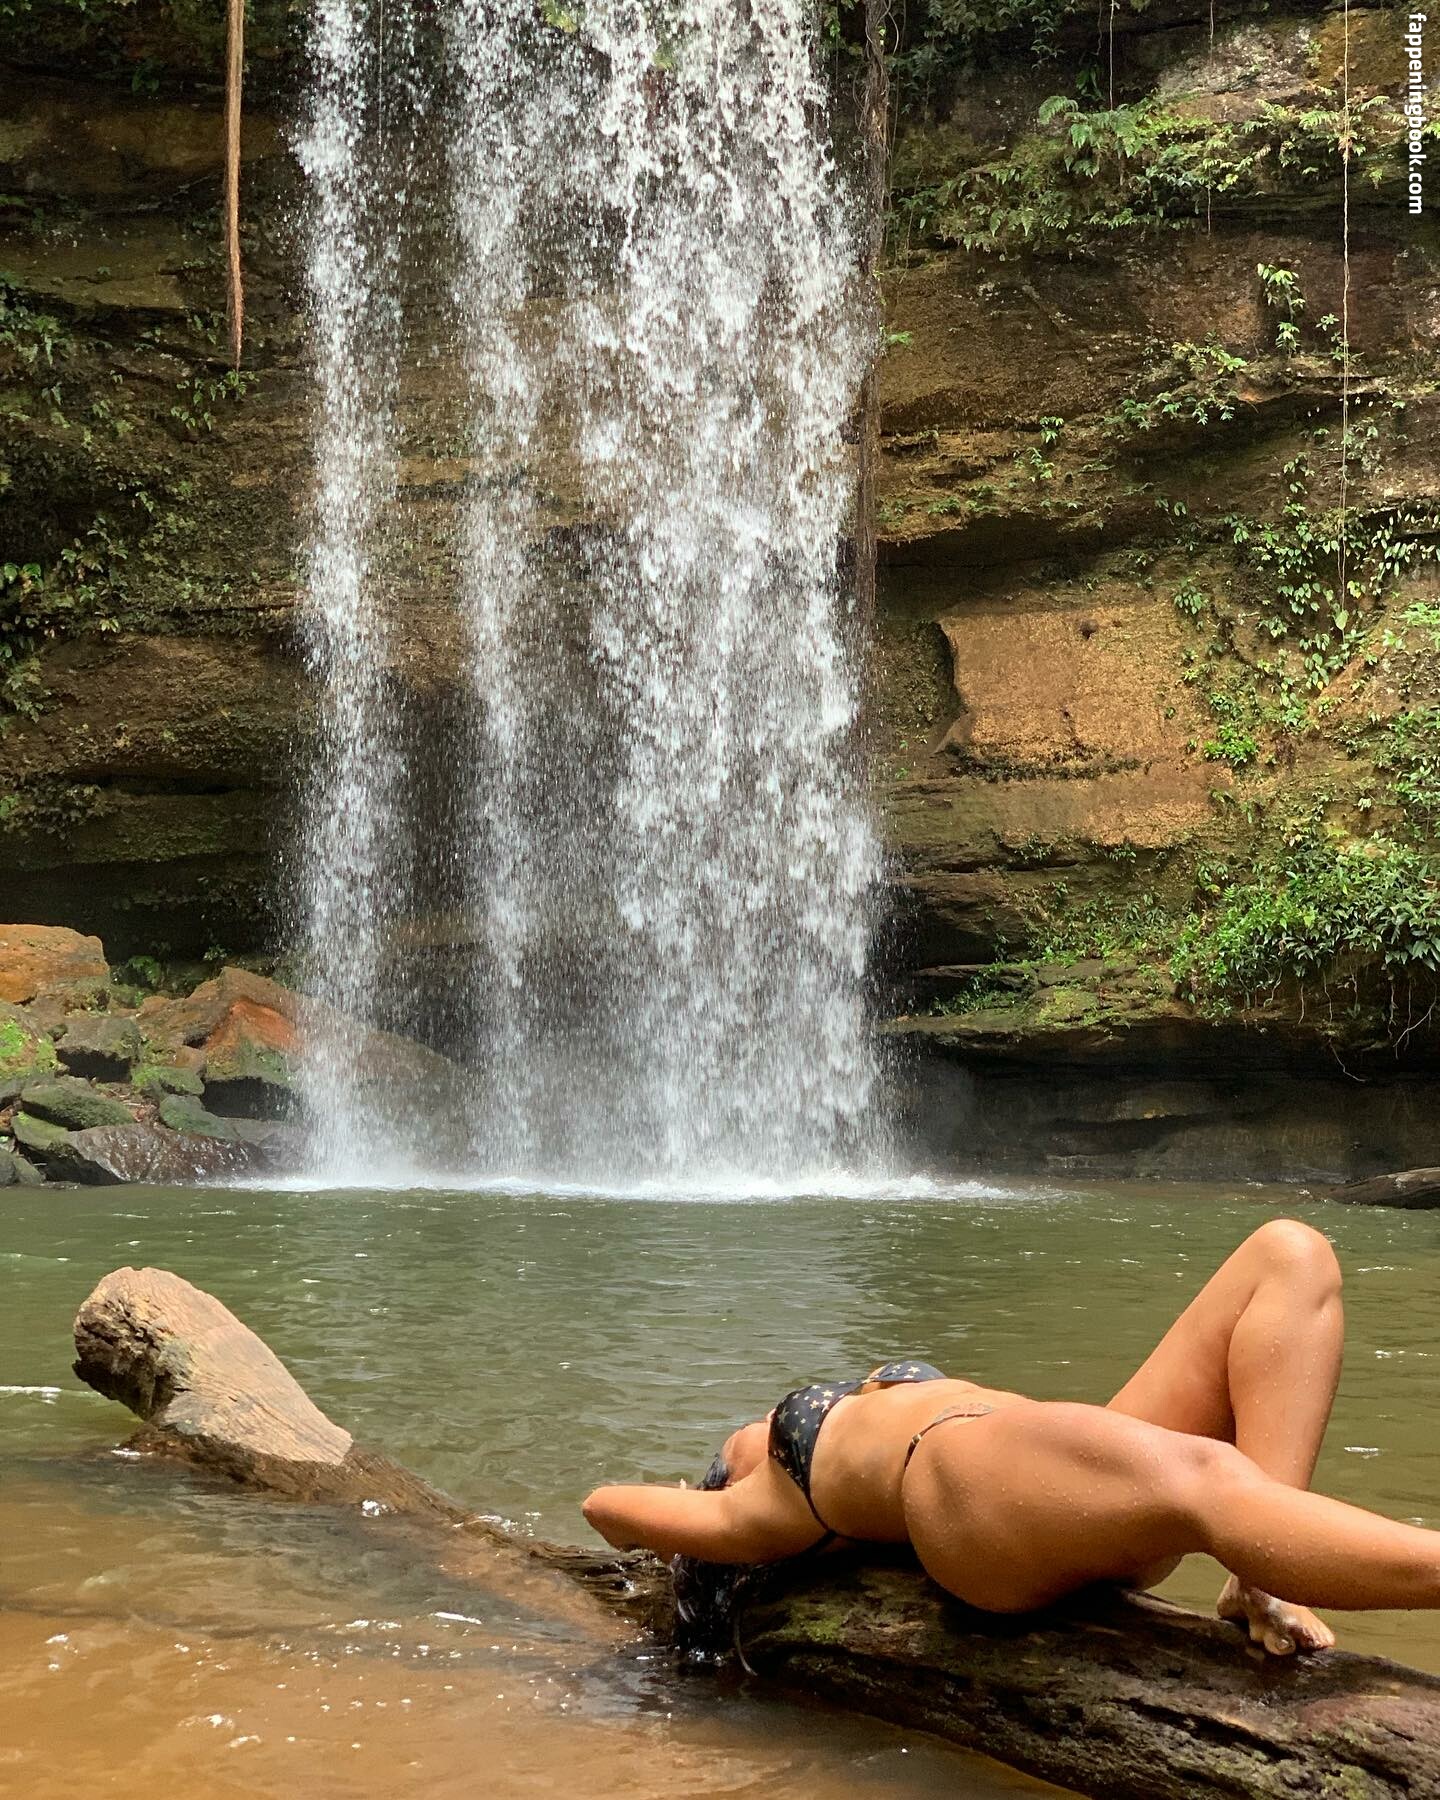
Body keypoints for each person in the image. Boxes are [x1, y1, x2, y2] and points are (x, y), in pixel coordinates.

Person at [584, 1218, 1440, 1657]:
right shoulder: (766, 1508)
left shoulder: (808, 1451)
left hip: (1042, 1483)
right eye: (718, 1464)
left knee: (1291, 1255)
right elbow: (603, 1506)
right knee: (1208, 1479)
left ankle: (1260, 1578)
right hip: (965, 1495)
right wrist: (690, 1517)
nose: (723, 1447)